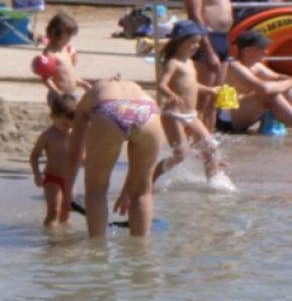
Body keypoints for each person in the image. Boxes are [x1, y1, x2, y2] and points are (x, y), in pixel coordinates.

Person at [66, 77, 165, 238]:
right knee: (142, 192)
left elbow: (75, 151)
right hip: (148, 111)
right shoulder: (136, 88)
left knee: (96, 192)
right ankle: (141, 253)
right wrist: (127, 192)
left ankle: (97, 251)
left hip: (109, 110)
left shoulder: (91, 95)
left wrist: (68, 189)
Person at [180, 0, 240, 128]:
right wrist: (207, 48)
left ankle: (210, 144)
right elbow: (194, 13)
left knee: (215, 97)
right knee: (201, 97)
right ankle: (193, 143)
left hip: (222, 36)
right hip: (207, 36)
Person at [153, 20, 227, 186]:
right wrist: (171, 94)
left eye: (198, 42)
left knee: (210, 147)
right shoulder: (173, 62)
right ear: (179, 42)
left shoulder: (190, 62)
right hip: (173, 114)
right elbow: (161, 85)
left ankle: (214, 182)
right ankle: (151, 180)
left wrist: (210, 90)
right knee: (180, 154)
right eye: (192, 42)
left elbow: (191, 85)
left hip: (190, 115)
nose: (196, 46)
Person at [218, 31, 292, 134]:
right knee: (269, 94)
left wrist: (288, 81)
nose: (266, 52)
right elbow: (265, 89)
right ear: (247, 51)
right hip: (228, 119)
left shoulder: (256, 66)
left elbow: (279, 78)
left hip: (242, 112)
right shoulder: (234, 66)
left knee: (286, 87)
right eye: (262, 48)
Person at [29, 91, 78, 227]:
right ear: (53, 117)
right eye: (62, 124)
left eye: (69, 125)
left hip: (70, 180)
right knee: (53, 212)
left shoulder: (76, 135)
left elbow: (82, 157)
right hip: (52, 178)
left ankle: (64, 244)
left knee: (66, 214)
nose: (65, 128)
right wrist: (37, 173)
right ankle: (50, 245)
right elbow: (34, 155)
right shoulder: (48, 135)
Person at [32, 12, 89, 96]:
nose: (70, 39)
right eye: (68, 36)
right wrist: (56, 91)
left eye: (71, 36)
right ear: (55, 33)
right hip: (59, 95)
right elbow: (45, 78)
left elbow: (68, 75)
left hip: (72, 94)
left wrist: (83, 83)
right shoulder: (50, 54)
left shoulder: (65, 50)